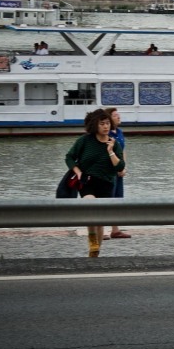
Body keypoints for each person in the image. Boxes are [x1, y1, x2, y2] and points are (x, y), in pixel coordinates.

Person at [64, 108, 126, 258]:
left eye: (107, 123)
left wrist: (110, 151)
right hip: (87, 181)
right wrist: (78, 173)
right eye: (102, 124)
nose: (106, 127)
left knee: (100, 220)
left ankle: (96, 251)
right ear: (95, 125)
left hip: (107, 183)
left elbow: (119, 167)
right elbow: (69, 157)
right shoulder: (85, 141)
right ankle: (92, 241)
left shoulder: (114, 143)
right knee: (90, 207)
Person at [101, 107, 130, 240]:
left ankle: (115, 229)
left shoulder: (119, 132)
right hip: (109, 172)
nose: (119, 117)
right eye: (115, 115)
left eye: (119, 115)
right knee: (106, 200)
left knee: (118, 199)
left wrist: (124, 167)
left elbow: (123, 150)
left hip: (119, 171)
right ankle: (102, 230)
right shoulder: (106, 135)